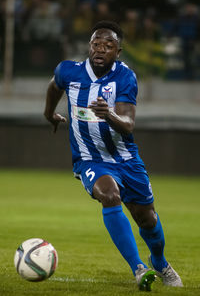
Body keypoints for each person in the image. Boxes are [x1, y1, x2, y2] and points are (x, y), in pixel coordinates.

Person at [44, 20, 183, 291]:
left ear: (118, 52)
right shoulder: (69, 71)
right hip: (89, 158)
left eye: (108, 46)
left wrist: (108, 114)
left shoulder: (125, 77)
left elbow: (129, 124)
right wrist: (48, 114)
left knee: (148, 219)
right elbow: (53, 86)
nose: (100, 49)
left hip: (125, 159)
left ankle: (159, 261)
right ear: (89, 46)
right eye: (96, 43)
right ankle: (139, 269)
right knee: (109, 195)